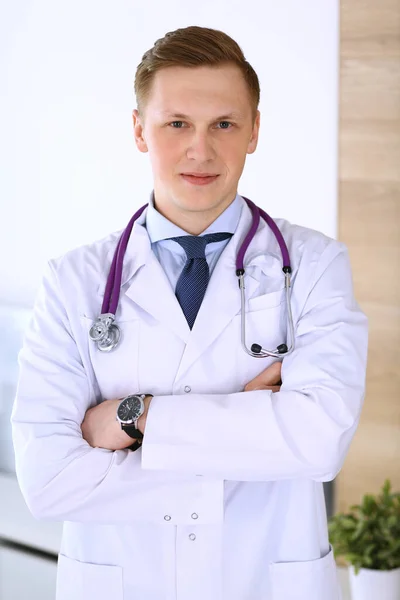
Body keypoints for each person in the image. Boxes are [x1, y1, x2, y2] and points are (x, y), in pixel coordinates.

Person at [11, 25, 368, 600]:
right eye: (176, 123)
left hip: (268, 580)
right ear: (138, 131)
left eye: (223, 124)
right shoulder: (72, 282)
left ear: (253, 130)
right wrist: (251, 444)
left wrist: (136, 417)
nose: (200, 150)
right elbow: (49, 480)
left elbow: (321, 440)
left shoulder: (316, 266)